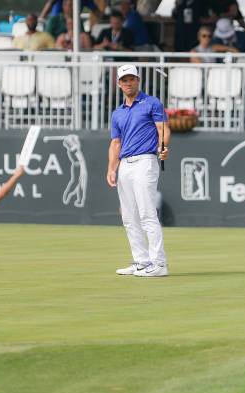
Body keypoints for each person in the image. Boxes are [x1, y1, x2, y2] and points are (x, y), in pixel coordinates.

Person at [107, 64, 170, 278]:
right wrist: (111, 168)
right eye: (124, 80)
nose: (128, 83)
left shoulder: (151, 103)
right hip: (125, 164)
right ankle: (141, 261)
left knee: (146, 213)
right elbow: (116, 142)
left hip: (145, 161)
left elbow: (163, 128)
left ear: (138, 80)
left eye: (131, 79)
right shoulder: (118, 112)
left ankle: (159, 263)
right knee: (129, 216)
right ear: (119, 84)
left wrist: (163, 147)